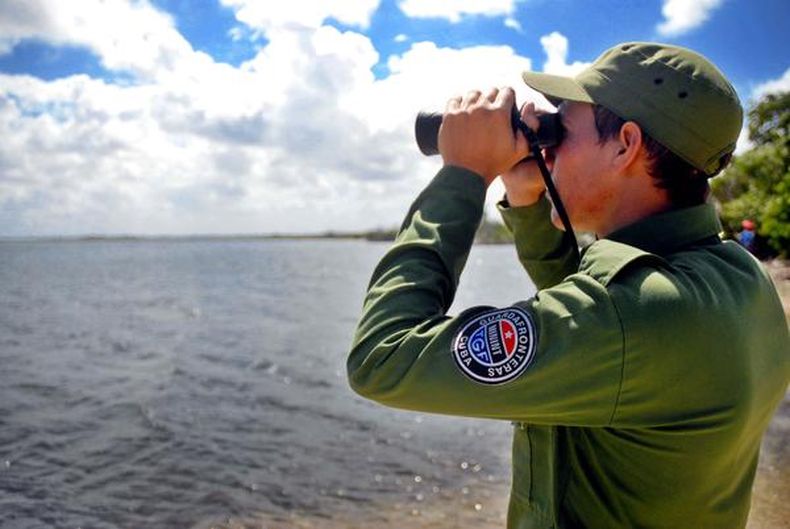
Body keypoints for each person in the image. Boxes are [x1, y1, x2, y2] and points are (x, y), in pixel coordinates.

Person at [347, 42, 790, 528]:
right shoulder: (737, 274)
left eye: (563, 127)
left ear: (626, 144)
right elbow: (598, 317)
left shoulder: (638, 316)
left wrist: (464, 175)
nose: (547, 144)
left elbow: (383, 359)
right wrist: (527, 197)